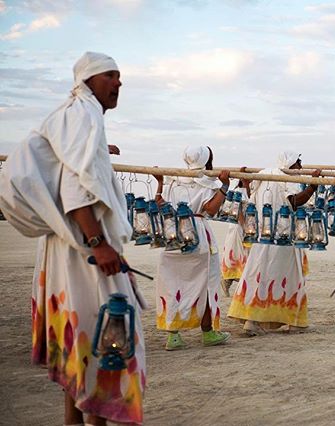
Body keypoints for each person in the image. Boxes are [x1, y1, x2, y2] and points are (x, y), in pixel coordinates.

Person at [0, 52, 145, 425]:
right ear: (88, 81)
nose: (118, 83)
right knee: (101, 339)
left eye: (119, 76)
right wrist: (100, 243)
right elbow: (75, 188)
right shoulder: (84, 117)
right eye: (110, 76)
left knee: (79, 341)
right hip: (86, 252)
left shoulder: (71, 117)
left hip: (67, 250)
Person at [227, 152, 320, 336]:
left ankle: (252, 322)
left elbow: (250, 196)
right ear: (291, 164)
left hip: (263, 237)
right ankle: (294, 323)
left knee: (258, 276)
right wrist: (313, 186)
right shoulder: (287, 179)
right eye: (299, 164)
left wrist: (246, 182)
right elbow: (294, 201)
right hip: (282, 238)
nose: (301, 168)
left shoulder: (264, 175)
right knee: (292, 278)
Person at [153, 146, 232, 350]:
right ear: (207, 160)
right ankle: (208, 332)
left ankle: (174, 336)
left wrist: (160, 183)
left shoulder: (174, 180)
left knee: (172, 285)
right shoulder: (208, 183)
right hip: (197, 234)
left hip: (174, 234)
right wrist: (224, 187)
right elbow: (211, 209)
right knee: (205, 283)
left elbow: (160, 203)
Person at [220, 182, 251, 297]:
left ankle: (234, 282)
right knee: (237, 254)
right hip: (238, 226)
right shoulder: (238, 192)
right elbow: (237, 209)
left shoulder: (248, 190)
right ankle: (227, 280)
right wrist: (243, 225)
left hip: (246, 226)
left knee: (244, 254)